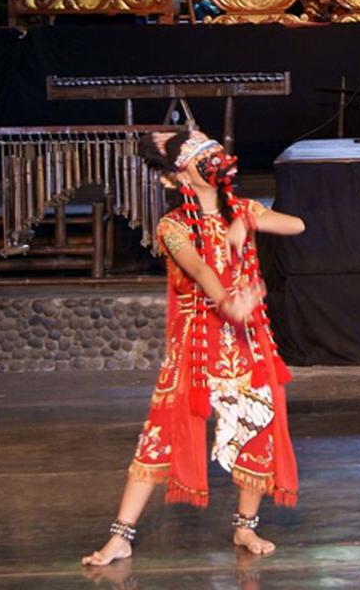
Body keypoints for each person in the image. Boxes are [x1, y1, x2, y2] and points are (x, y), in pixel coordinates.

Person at [81, 130, 304, 566]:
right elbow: (201, 269)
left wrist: (248, 221)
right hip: (198, 343)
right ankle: (121, 535)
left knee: (259, 425)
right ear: (175, 178)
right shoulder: (173, 226)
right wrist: (227, 302)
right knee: (162, 430)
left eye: (212, 151)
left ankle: (245, 526)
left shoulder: (242, 208)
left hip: (247, 340)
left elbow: (297, 225)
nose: (211, 159)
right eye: (199, 154)